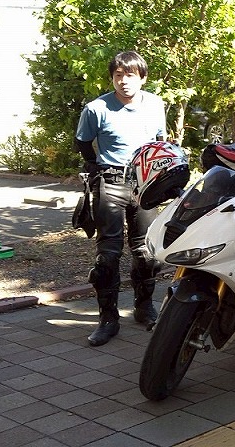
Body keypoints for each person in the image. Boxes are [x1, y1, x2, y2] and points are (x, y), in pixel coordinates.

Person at [75, 51, 167, 346]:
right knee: (108, 255)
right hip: (111, 182)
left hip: (145, 183)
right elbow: (82, 142)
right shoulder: (96, 108)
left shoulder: (155, 104)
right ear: (111, 78)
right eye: (118, 75)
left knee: (146, 252)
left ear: (142, 78)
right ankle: (108, 319)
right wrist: (96, 167)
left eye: (130, 75)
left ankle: (144, 306)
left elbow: (160, 142)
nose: (123, 81)